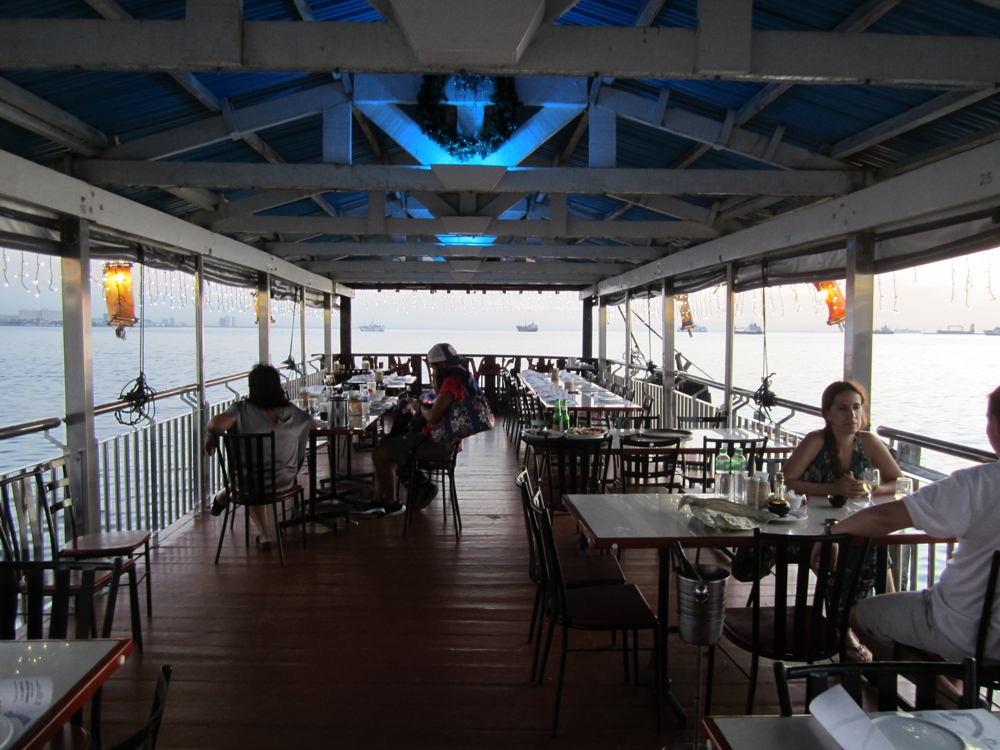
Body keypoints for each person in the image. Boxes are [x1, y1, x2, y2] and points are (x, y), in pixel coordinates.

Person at [831, 385, 1000, 663]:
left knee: (858, 616)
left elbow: (884, 517)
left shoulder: (977, 484)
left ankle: (943, 693)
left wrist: (832, 531)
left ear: (994, 425)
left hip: (959, 627)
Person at [781, 380, 902, 660]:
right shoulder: (816, 441)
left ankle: (888, 628)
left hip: (854, 523)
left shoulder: (869, 442)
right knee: (849, 551)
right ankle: (845, 629)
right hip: (811, 531)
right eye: (843, 408)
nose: (852, 415)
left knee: (874, 550)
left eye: (857, 408)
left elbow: (898, 480)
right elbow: (786, 481)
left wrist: (872, 489)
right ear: (828, 414)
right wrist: (832, 489)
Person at [204, 363, 313, 551]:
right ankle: (224, 496)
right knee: (255, 478)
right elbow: (311, 424)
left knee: (252, 480)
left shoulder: (240, 410)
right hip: (285, 481)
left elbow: (214, 423)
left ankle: (264, 535)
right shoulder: (294, 414)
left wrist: (210, 435)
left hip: (251, 484)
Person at [365, 343, 475, 516]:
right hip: (446, 439)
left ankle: (393, 503)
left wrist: (419, 406)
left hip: (438, 443)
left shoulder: (451, 383)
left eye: (433, 368)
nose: (433, 372)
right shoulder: (465, 377)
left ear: (442, 365)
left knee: (379, 454)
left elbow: (432, 416)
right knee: (387, 444)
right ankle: (378, 500)